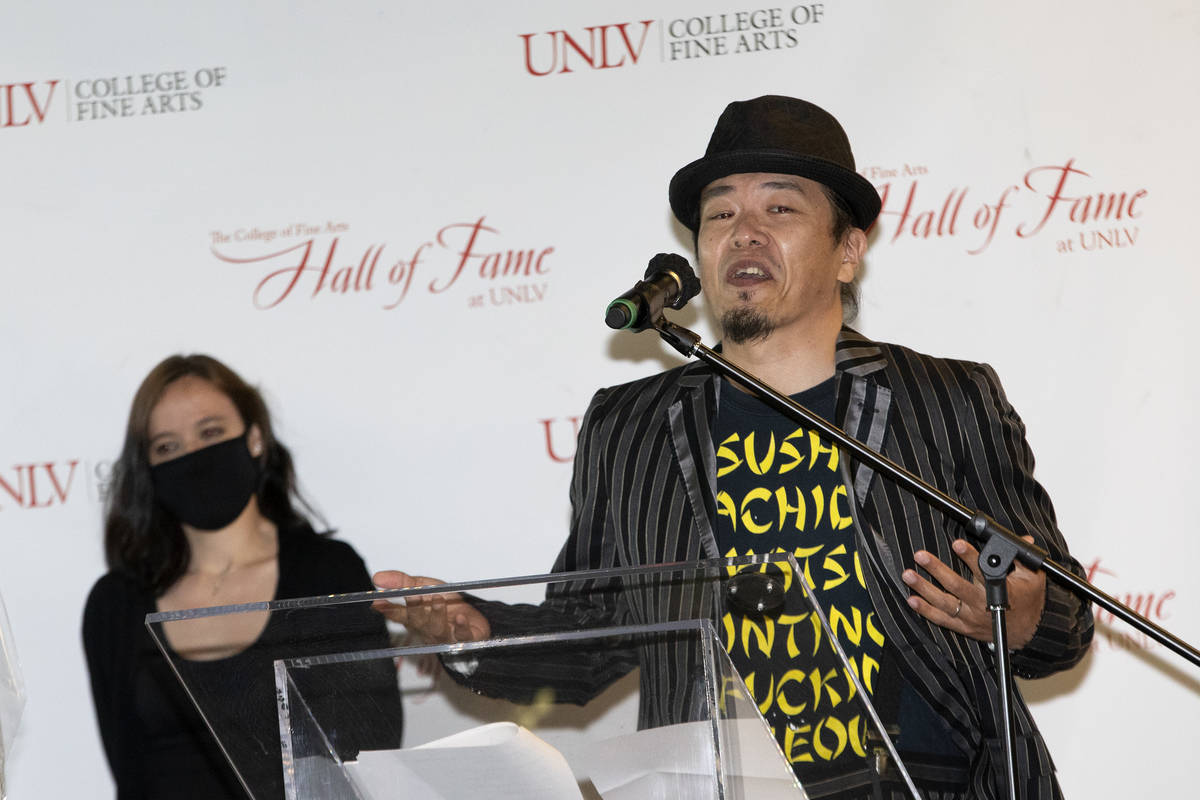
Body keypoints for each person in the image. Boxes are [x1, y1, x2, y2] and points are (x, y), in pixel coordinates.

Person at [374, 96, 1093, 799]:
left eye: (780, 209)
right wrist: (475, 632)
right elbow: (592, 635)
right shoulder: (629, 426)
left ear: (848, 251)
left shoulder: (945, 399)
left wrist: (1024, 617)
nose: (744, 233)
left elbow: (1066, 614)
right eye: (720, 215)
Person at [83, 354, 402, 800]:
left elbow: (370, 749)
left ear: (254, 438)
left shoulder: (329, 573)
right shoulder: (116, 604)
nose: (193, 457)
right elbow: (130, 775)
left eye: (210, 433)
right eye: (167, 447)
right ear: (148, 468)